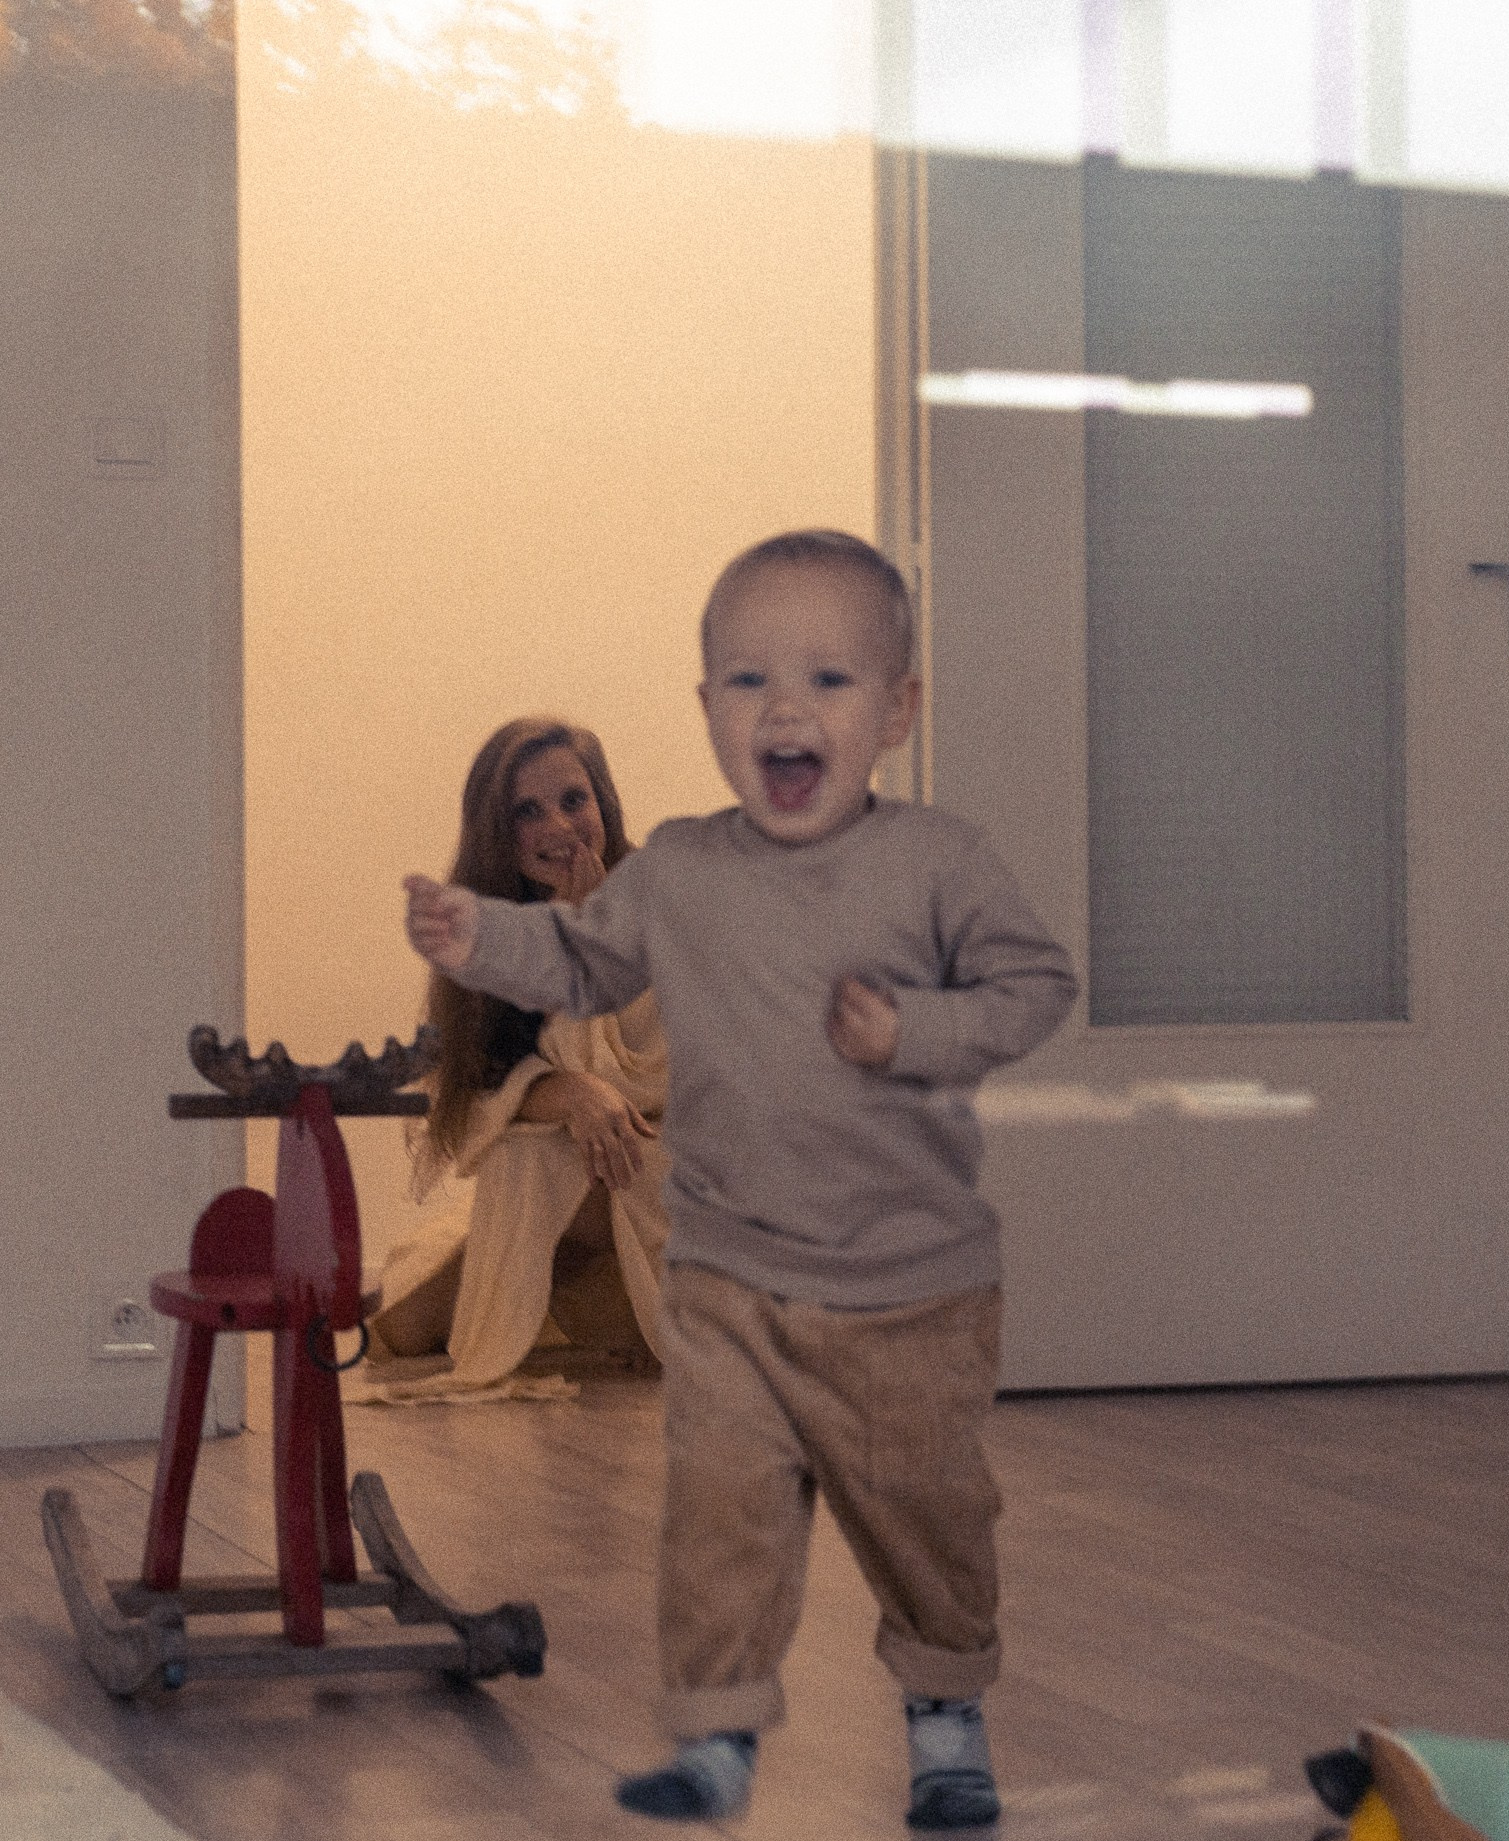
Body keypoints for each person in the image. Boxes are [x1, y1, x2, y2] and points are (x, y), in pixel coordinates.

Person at [404, 530, 1076, 1831]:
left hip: (906, 1289)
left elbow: (1034, 986)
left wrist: (919, 1034)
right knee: (718, 1516)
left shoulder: (936, 862)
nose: (784, 708)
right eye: (747, 680)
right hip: (726, 1272)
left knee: (924, 1513)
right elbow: (579, 963)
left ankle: (946, 1722)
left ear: (897, 712)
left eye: (828, 680)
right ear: (705, 708)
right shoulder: (681, 871)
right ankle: (716, 1735)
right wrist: (479, 932)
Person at [354, 719, 669, 1406]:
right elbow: (467, 1096)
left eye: (573, 800)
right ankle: (576, 1291)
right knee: (403, 1327)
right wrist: (567, 1092)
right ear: (499, 833)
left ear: (604, 805)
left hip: (681, 1165)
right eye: (527, 810)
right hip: (582, 1167)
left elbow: (653, 1072)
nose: (558, 825)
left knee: (526, 1160)